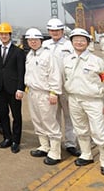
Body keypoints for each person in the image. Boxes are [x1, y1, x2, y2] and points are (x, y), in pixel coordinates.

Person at [62, 28, 104, 177]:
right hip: (74, 99)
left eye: (82, 39)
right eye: (75, 39)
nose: (79, 42)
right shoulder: (66, 60)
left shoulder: (97, 61)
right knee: (80, 129)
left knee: (99, 132)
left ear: (88, 42)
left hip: (93, 101)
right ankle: (86, 154)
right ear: (71, 42)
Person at [23, 28, 63, 166]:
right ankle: (44, 146)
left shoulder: (48, 55)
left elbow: (55, 74)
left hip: (46, 94)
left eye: (35, 40)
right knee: (37, 120)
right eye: (30, 40)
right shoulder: (30, 55)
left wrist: (54, 92)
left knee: (49, 122)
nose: (33, 42)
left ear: (41, 40)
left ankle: (55, 152)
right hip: (33, 92)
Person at [42, 18, 80, 157]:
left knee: (70, 116)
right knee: (53, 116)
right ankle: (54, 143)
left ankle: (70, 143)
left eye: (57, 30)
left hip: (66, 85)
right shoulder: (45, 44)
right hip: (50, 86)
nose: (55, 32)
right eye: (52, 30)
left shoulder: (70, 45)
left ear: (62, 31)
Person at [0, 22, 25, 154]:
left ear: (10, 35)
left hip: (14, 89)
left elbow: (21, 71)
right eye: (1, 34)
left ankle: (16, 141)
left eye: (6, 34)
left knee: (16, 116)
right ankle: (7, 137)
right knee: (2, 114)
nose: (4, 36)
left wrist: (20, 89)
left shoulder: (18, 51)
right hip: (0, 88)